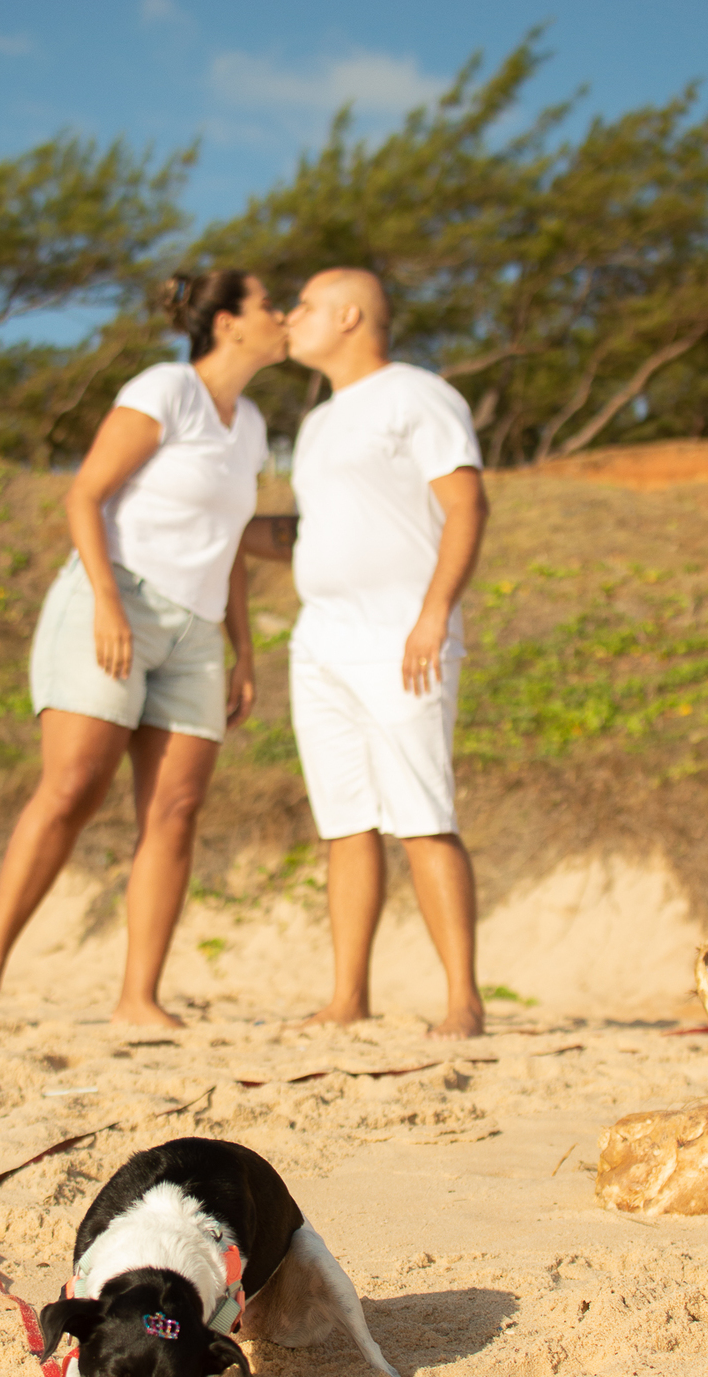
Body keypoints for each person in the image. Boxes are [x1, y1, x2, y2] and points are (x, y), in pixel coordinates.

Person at [0, 270, 287, 1029]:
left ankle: (138, 998)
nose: (283, 316)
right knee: (73, 788)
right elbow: (85, 495)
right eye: (270, 305)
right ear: (228, 323)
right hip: (115, 598)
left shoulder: (253, 425)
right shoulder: (166, 388)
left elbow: (231, 542)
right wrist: (106, 601)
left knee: (177, 808)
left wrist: (243, 650)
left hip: (196, 631)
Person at [244, 267, 489, 1038]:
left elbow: (466, 506)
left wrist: (433, 613)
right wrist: (221, 526)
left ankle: (463, 1002)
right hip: (321, 639)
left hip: (401, 634)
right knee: (345, 820)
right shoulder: (318, 422)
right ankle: (348, 997)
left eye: (305, 305)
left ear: (349, 316)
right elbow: (310, 531)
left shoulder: (418, 395)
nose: (291, 316)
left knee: (422, 812)